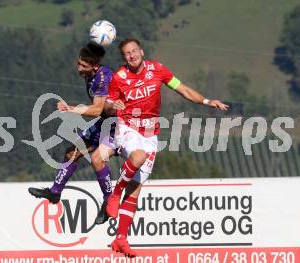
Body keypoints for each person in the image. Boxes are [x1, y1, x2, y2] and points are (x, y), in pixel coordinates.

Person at [95, 38, 229, 257]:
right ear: (123, 58)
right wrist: (112, 106)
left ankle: (120, 239)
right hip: (127, 127)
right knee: (137, 158)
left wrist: (206, 101)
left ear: (142, 51)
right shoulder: (119, 78)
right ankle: (114, 194)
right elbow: (106, 108)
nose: (132, 55)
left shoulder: (157, 69)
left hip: (150, 134)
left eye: (134, 51)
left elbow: (182, 89)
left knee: (135, 190)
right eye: (127, 53)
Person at [28, 42, 115, 225]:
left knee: (96, 159)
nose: (79, 68)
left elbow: (98, 109)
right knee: (71, 152)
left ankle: (109, 201)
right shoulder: (90, 75)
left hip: (120, 124)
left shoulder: (103, 77)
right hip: (104, 122)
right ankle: (55, 192)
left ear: (95, 66)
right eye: (78, 63)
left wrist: (71, 109)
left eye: (84, 66)